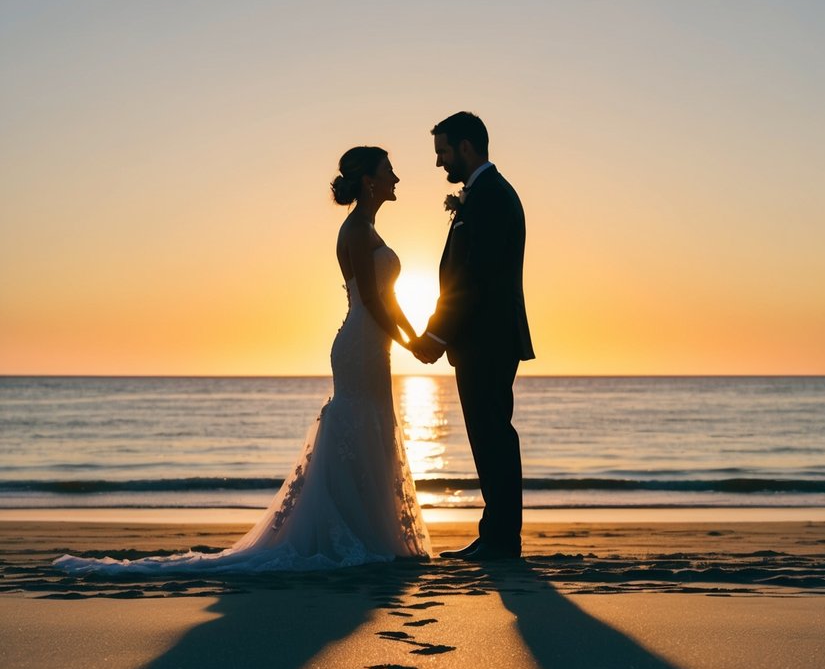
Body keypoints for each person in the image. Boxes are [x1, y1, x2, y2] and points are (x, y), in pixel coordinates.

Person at [55, 147, 432, 575]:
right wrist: (411, 342)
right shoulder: (356, 231)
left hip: (373, 345)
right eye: (389, 171)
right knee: (360, 424)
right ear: (369, 180)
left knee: (374, 426)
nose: (396, 178)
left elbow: (391, 299)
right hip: (361, 345)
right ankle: (353, 534)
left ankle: (372, 531)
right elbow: (370, 300)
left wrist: (414, 337)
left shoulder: (369, 230)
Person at [410, 111, 534, 560]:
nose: (440, 163)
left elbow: (474, 279)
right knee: (488, 436)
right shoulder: (482, 195)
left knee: (493, 436)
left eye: (443, 151)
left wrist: (435, 336)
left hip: (488, 339)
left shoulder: (491, 198)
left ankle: (502, 540)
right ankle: (495, 533)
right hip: (482, 339)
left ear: (466, 147)